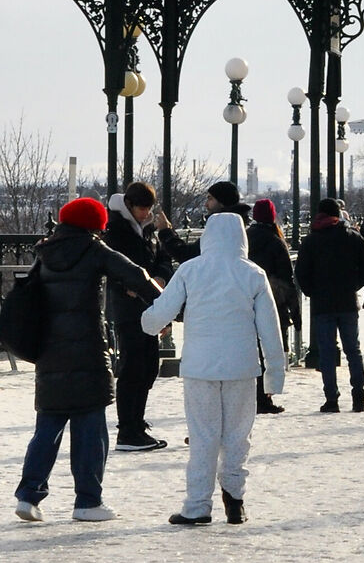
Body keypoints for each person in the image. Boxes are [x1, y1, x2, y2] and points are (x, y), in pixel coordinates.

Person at [11, 197, 160, 523]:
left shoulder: (45, 252)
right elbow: (134, 274)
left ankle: (28, 495)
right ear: (95, 224)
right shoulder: (94, 250)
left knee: (47, 428)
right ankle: (88, 501)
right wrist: (166, 306)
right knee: (91, 430)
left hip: (50, 354)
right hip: (88, 353)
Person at [142, 211, 288, 526]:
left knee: (203, 436)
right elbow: (270, 329)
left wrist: (148, 323)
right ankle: (235, 500)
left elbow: (162, 311)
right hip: (242, 368)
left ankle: (197, 506)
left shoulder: (191, 270)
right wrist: (274, 373)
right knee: (238, 435)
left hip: (200, 368)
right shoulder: (253, 274)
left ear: (207, 236)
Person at [102, 183, 178, 451]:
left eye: (148, 209)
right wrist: (131, 286)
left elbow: (162, 260)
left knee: (148, 367)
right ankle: (128, 429)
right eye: (141, 209)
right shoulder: (116, 232)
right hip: (128, 308)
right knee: (133, 367)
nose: (146, 214)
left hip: (151, 304)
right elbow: (116, 269)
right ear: (130, 206)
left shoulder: (148, 231)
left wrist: (159, 277)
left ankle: (136, 423)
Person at [293, 197, 364, 413]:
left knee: (327, 352)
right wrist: (353, 286)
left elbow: (301, 273)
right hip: (348, 301)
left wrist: (313, 292)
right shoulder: (353, 238)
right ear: (338, 215)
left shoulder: (311, 241)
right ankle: (359, 395)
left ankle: (332, 398)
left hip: (322, 304)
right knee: (353, 350)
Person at [247, 198, 299, 406]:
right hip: (272, 301)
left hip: (246, 299)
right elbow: (287, 277)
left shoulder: (246, 237)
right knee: (269, 348)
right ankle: (265, 395)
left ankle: (253, 394)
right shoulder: (276, 241)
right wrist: (293, 311)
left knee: (251, 348)